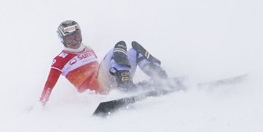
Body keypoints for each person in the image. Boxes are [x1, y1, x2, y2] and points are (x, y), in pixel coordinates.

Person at [39, 20, 171, 106]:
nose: (74, 41)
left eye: (76, 36)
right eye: (70, 39)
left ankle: (158, 75)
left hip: (106, 82)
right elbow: (49, 84)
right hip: (91, 89)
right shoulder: (60, 58)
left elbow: (104, 68)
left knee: (135, 50)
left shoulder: (88, 49)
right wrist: (41, 105)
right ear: (62, 40)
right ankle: (125, 83)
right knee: (118, 47)